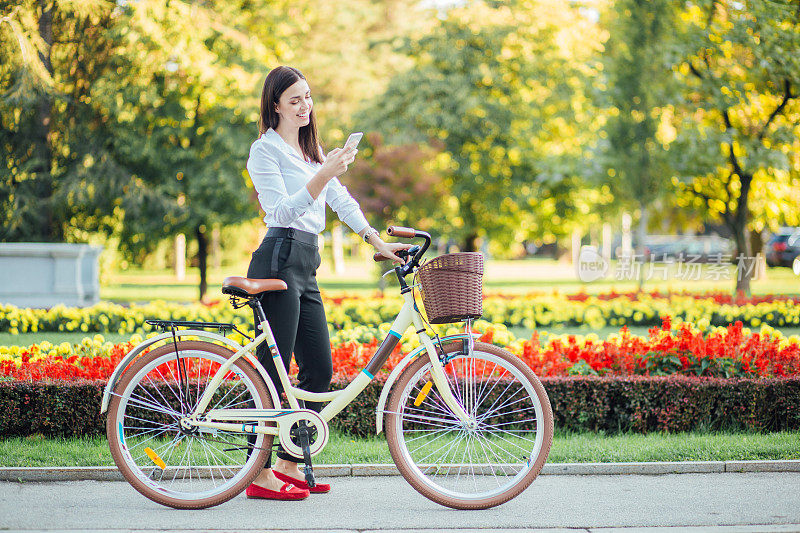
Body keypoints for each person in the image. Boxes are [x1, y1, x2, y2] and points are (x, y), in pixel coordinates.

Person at [243, 65, 411, 501]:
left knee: (319, 369)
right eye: (294, 99)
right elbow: (280, 212)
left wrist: (376, 240)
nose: (304, 106)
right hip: (277, 257)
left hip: (306, 259)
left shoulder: (309, 149)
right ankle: (256, 475)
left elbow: (340, 199)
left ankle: (286, 464)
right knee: (270, 373)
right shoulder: (265, 151)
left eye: (308, 97)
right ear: (275, 104)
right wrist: (322, 173)